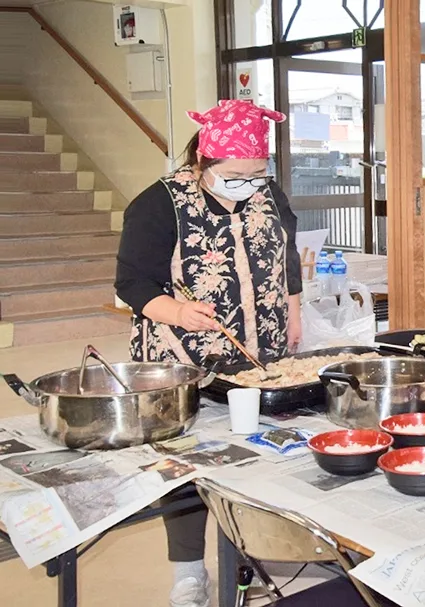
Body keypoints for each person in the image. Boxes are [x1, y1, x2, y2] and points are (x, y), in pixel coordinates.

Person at [115, 99, 302, 607]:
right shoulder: (159, 203)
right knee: (188, 465)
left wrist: (294, 308)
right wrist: (175, 312)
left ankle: (255, 552)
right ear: (203, 163)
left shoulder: (265, 193)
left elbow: (286, 250)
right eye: (235, 176)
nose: (249, 185)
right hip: (185, 355)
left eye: (258, 175)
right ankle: (187, 571)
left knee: (260, 453)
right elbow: (132, 281)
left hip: (261, 350)